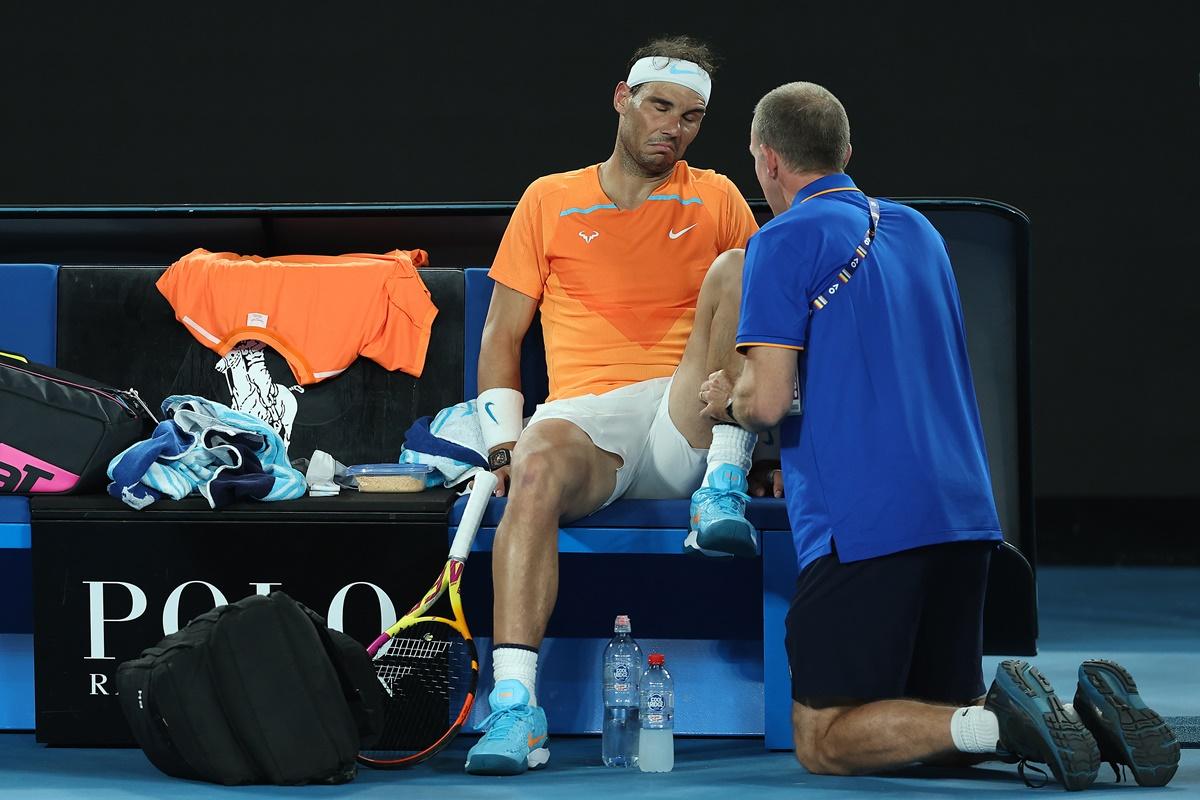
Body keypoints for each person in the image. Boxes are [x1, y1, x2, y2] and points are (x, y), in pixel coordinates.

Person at [700, 81, 1181, 790]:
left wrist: (726, 399)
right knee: (936, 721)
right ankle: (1083, 719)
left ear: (767, 162)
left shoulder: (783, 239)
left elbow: (767, 401)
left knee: (824, 737)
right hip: (964, 520)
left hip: (865, 526)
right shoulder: (918, 231)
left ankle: (1004, 719)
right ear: (847, 153)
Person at [463, 36, 764, 776]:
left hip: (687, 414)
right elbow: (502, 333)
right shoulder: (549, 199)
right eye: (660, 106)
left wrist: (766, 431)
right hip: (590, 426)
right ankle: (515, 707)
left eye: (692, 117)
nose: (674, 128)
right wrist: (504, 445)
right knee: (534, 469)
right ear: (622, 98)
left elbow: (767, 328)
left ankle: (726, 479)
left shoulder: (717, 196)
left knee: (741, 266)